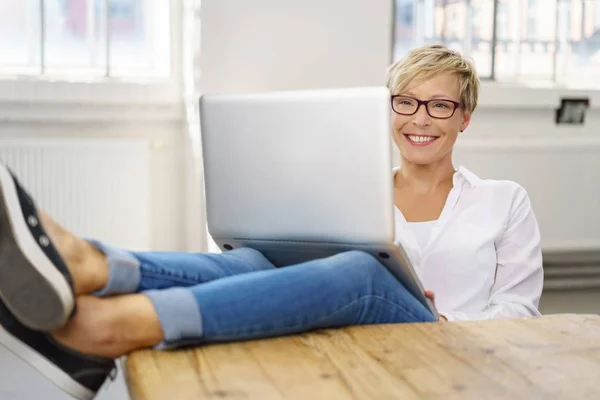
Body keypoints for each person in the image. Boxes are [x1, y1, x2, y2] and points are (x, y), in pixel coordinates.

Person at [0, 44, 543, 400]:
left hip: (441, 343)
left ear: (465, 117)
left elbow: (521, 310)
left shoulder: (504, 199)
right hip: (349, 323)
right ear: (388, 108)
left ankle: (109, 327)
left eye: (440, 106)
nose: (420, 118)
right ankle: (88, 264)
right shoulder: (353, 194)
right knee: (251, 259)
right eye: (406, 102)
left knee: (361, 270)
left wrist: (450, 323)